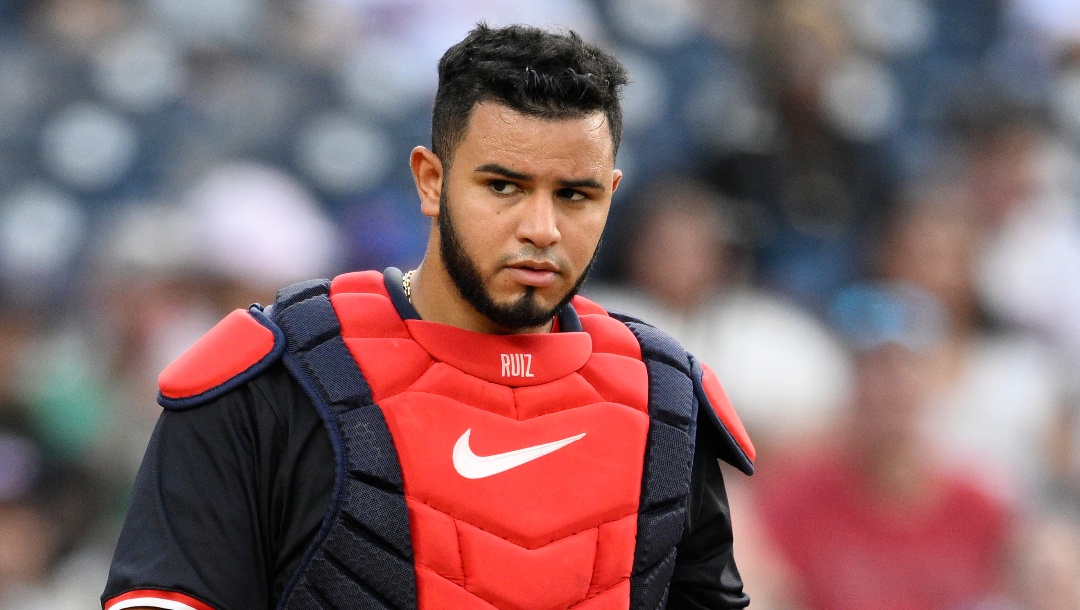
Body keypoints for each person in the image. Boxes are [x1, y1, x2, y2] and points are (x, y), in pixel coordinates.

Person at [100, 23, 756, 610]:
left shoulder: (664, 401)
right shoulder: (276, 380)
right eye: (504, 186)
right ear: (430, 180)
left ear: (611, 193)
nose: (542, 228)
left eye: (575, 195)